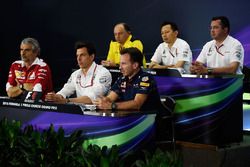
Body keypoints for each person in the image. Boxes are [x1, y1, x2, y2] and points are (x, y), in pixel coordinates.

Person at [95, 47, 162, 111]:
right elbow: (110, 98)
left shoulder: (146, 79)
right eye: (120, 64)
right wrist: (104, 100)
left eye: (123, 64)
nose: (120, 67)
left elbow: (137, 104)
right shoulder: (122, 79)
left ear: (135, 65)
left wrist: (112, 106)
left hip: (147, 120)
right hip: (128, 117)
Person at [45, 41, 112, 104]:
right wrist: (56, 97)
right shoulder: (75, 74)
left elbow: (92, 98)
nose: (79, 59)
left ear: (92, 57)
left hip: (98, 114)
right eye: (77, 55)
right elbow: (65, 90)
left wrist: (67, 101)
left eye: (82, 55)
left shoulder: (103, 73)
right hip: (79, 113)